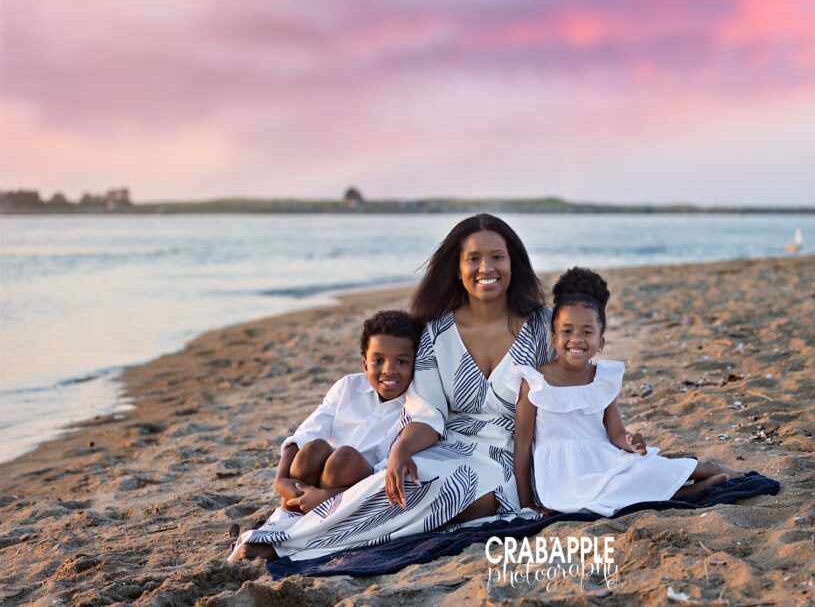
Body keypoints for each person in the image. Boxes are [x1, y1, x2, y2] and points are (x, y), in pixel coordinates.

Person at [233, 214, 552, 562]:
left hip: (512, 452)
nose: (485, 267)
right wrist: (401, 451)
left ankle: (301, 534)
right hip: (452, 444)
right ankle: (286, 536)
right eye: (473, 258)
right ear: (458, 269)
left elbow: (570, 388)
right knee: (400, 481)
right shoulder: (436, 332)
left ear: (512, 263)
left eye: (496, 257)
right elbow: (428, 414)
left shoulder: (543, 327)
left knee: (453, 493)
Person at [509, 267, 739, 517]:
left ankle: (721, 471)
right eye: (567, 331)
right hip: (563, 477)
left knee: (650, 468)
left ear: (601, 342)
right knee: (610, 494)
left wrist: (630, 442)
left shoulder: (601, 379)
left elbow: (616, 433)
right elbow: (521, 447)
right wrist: (526, 503)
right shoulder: (534, 382)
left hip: (605, 459)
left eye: (587, 332)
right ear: (554, 339)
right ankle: (689, 492)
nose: (576, 339)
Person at [235, 309, 422, 560]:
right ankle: (285, 523)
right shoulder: (348, 386)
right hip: (311, 482)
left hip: (354, 492)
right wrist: (280, 480)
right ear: (364, 363)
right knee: (313, 448)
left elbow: (383, 474)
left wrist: (327, 498)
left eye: (401, 361)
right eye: (378, 361)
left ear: (416, 363)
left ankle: (295, 538)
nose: (388, 370)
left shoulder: (415, 407)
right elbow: (306, 432)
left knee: (342, 458)